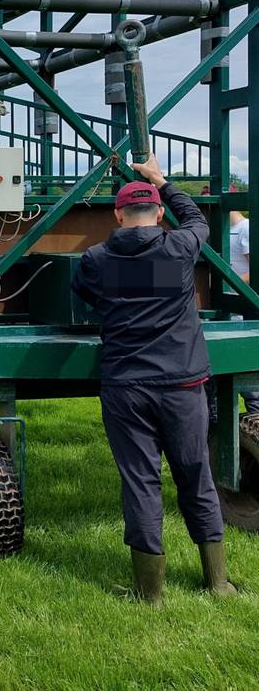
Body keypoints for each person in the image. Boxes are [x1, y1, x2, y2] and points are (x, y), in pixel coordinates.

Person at [71, 155, 236, 605]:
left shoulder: (96, 260)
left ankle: (150, 594)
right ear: (158, 214)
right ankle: (218, 583)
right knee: (195, 477)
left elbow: (84, 295)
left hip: (127, 386)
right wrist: (163, 182)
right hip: (183, 385)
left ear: (118, 215)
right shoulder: (179, 248)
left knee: (141, 481)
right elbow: (196, 218)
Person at [229, 210, 258, 415]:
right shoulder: (228, 230)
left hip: (241, 308)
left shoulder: (245, 228)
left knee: (252, 388)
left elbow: (254, 268)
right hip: (231, 308)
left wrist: (229, 285)